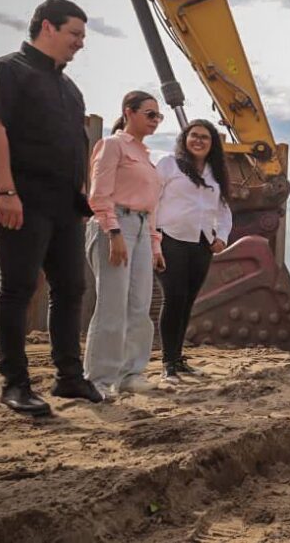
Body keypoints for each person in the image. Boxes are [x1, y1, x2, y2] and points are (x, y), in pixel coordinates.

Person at [0, 0, 101, 416]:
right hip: (21, 199)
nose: (81, 43)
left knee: (71, 289)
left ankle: (69, 377)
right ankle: (15, 384)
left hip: (65, 205)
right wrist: (4, 191)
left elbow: (75, 146)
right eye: (75, 34)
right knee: (17, 288)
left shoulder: (69, 88)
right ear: (47, 27)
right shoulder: (6, 71)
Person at [84, 91, 165, 398]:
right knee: (112, 306)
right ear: (128, 112)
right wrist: (113, 232)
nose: (155, 121)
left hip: (143, 228)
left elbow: (151, 206)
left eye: (158, 116)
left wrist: (155, 246)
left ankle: (131, 373)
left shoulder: (145, 156)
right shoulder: (112, 146)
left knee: (139, 306)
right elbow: (99, 194)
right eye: (150, 114)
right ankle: (98, 379)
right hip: (117, 223)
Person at [154, 119, 232, 383]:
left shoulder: (215, 173)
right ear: (185, 139)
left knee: (187, 300)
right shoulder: (168, 164)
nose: (199, 141)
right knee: (173, 297)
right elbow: (152, 198)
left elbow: (223, 210)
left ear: (212, 145)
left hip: (200, 243)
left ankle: (178, 358)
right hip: (170, 239)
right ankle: (168, 363)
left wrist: (221, 236)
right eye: (194, 136)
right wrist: (155, 235)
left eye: (205, 137)